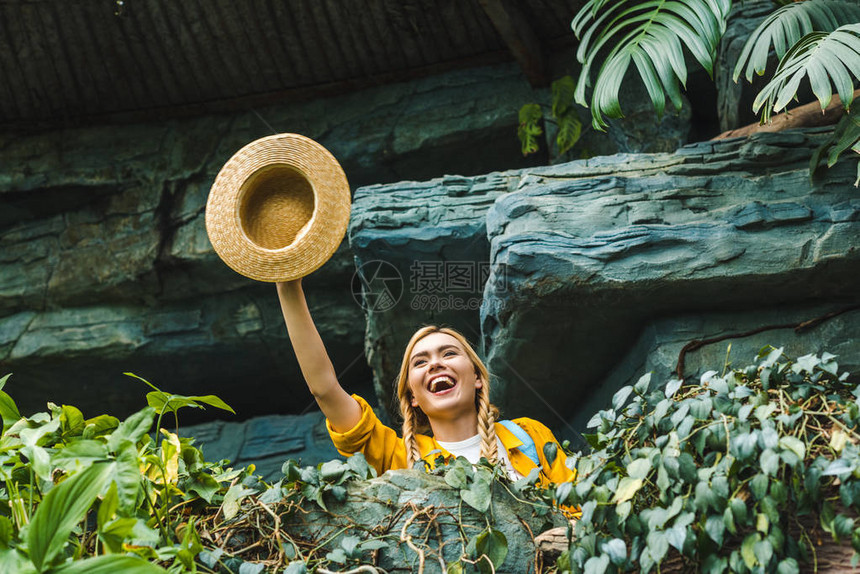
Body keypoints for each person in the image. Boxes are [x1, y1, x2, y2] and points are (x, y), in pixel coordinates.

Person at [276, 279, 576, 489]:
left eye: (449, 353)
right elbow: (324, 389)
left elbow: (575, 510)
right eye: (420, 362)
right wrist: (288, 287)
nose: (434, 363)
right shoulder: (400, 458)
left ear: (478, 379)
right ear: (413, 396)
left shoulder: (529, 435)